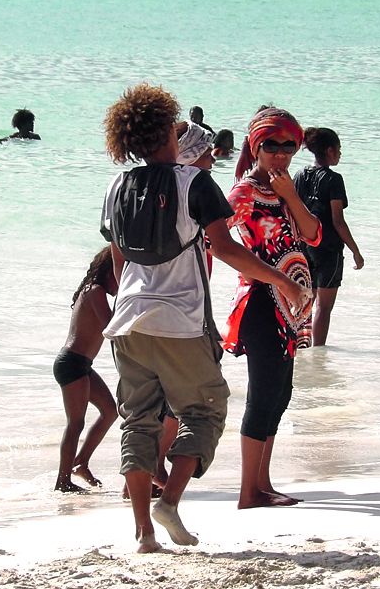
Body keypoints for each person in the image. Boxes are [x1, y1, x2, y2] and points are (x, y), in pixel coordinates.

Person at [100, 84, 307, 552]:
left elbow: (118, 261)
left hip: (126, 321)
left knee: (137, 421)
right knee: (206, 409)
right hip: (180, 321)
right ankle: (169, 500)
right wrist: (282, 280)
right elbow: (228, 249)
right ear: (167, 133)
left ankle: (143, 532)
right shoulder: (194, 183)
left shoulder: (117, 185)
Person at [223, 107, 321, 508]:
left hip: (291, 309)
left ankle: (262, 483)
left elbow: (313, 235)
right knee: (262, 395)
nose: (280, 154)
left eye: (288, 146)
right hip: (262, 304)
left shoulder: (286, 189)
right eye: (271, 146)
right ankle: (248, 490)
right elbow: (216, 240)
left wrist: (291, 197)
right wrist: (270, 277)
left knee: (281, 393)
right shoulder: (244, 192)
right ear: (255, 147)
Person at [293, 127, 365, 347]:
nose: (340, 154)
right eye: (339, 149)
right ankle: (318, 352)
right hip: (329, 249)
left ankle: (299, 346)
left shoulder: (299, 175)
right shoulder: (334, 179)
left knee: (305, 301)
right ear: (330, 150)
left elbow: (293, 210)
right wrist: (355, 250)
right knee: (324, 307)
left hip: (304, 247)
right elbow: (338, 221)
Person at [54, 247, 118, 493]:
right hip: (71, 363)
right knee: (76, 423)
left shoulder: (94, 290)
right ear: (108, 272)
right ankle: (62, 480)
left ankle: (81, 462)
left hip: (82, 365)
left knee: (110, 411)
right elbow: (110, 326)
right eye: (118, 275)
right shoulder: (95, 291)